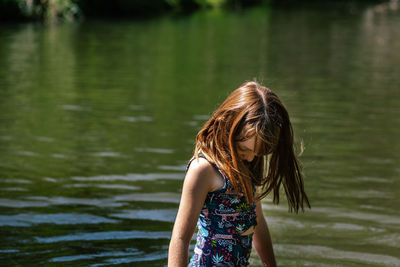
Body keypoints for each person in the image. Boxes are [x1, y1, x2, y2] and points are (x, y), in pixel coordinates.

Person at [168, 81, 310, 267]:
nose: (251, 158)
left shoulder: (245, 167)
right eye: (244, 149)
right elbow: (180, 238)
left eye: (258, 153)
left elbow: (258, 223)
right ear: (229, 126)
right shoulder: (203, 170)